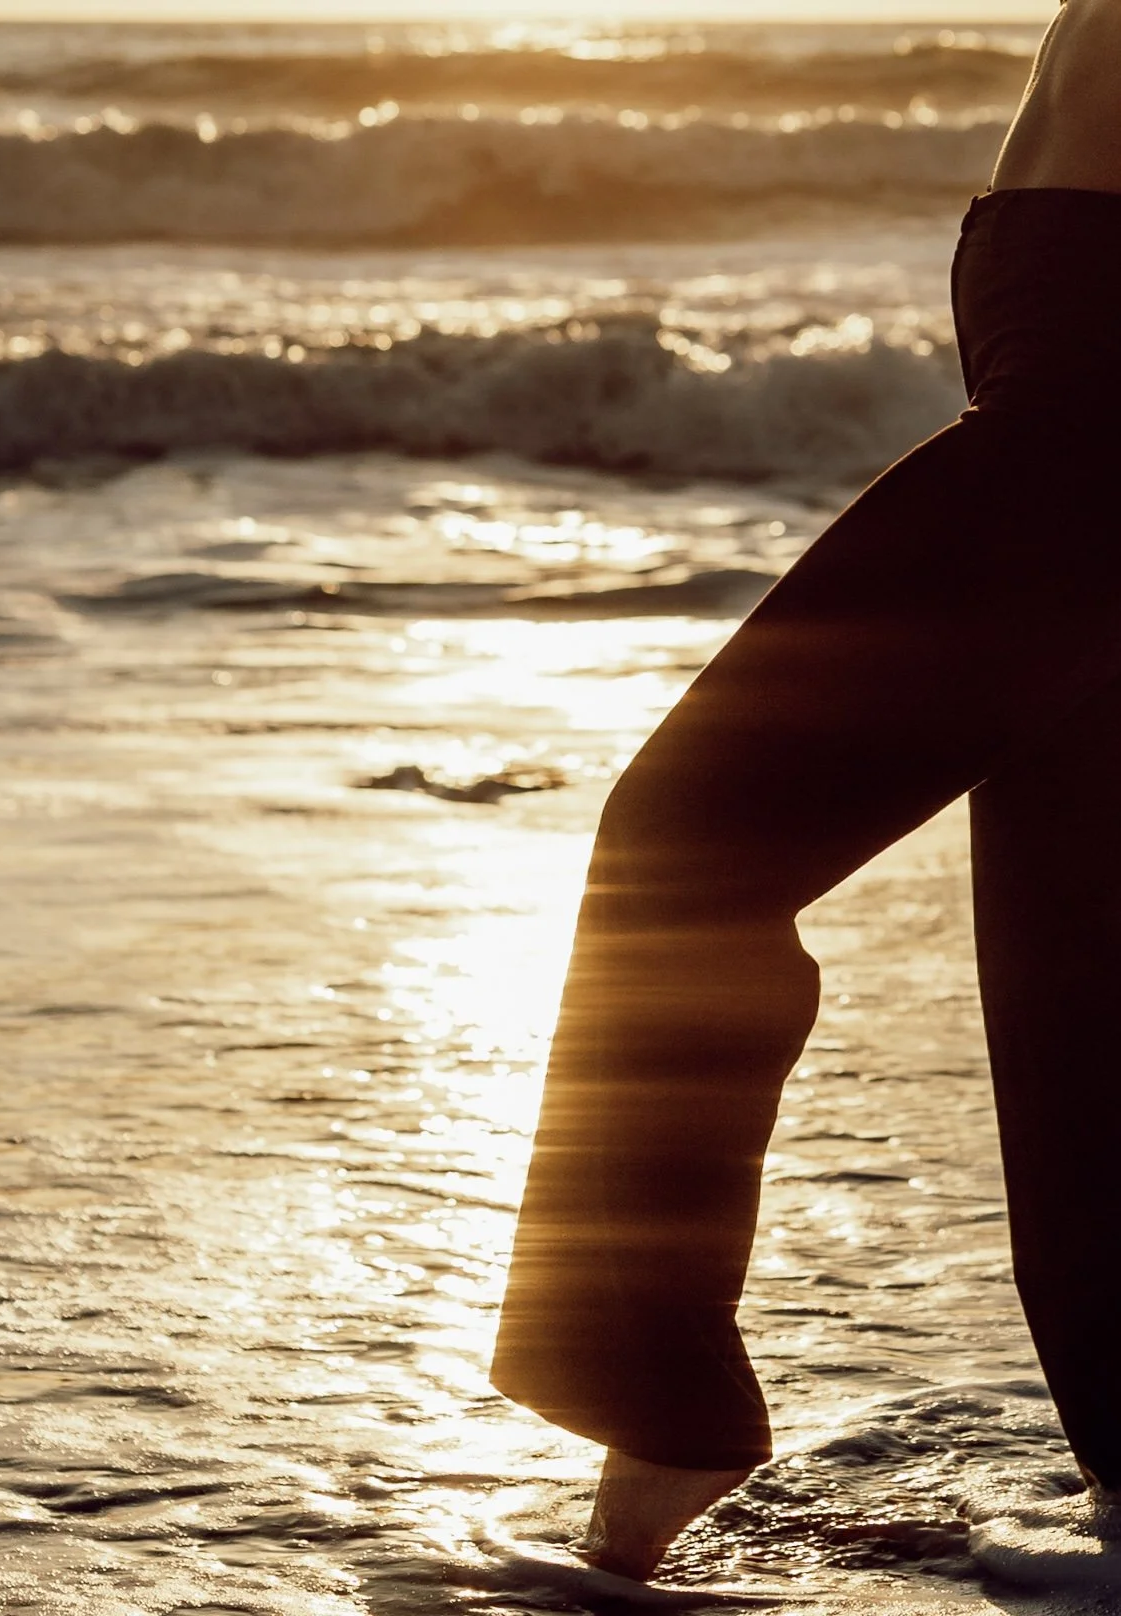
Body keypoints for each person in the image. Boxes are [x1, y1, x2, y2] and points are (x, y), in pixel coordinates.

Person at [490, 0, 1121, 1582]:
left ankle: (660, 1418)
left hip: (1088, 419)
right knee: (1079, 982)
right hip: (1067, 382)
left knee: (684, 852)